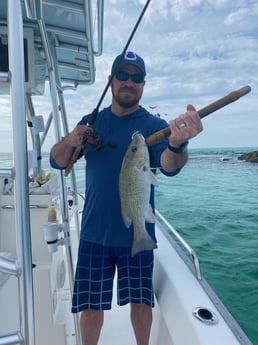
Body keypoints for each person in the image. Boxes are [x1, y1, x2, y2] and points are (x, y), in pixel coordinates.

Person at [50, 51, 203, 345]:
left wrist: (178, 144)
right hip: (95, 231)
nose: (129, 82)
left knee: (141, 303)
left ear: (143, 85)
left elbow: (169, 167)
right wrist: (70, 140)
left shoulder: (153, 125)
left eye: (137, 77)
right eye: (122, 75)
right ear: (111, 82)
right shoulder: (92, 121)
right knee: (91, 307)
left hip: (136, 233)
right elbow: (57, 162)